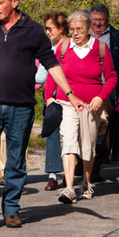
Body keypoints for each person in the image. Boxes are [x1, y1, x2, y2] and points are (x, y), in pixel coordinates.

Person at [0, 0, 85, 230]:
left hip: (20, 107)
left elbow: (51, 63)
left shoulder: (33, 30)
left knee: (16, 160)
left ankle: (11, 210)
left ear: (14, 3)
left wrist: (70, 94)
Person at [44, 10, 118, 204]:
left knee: (88, 145)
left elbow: (111, 77)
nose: (75, 33)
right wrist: (48, 98)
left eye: (79, 29)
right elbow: (54, 73)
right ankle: (69, 188)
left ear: (88, 30)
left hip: (91, 105)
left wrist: (101, 98)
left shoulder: (101, 49)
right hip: (66, 102)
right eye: (72, 29)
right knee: (68, 141)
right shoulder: (62, 48)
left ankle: (85, 183)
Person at [89, 4, 119, 177]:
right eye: (94, 20)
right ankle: (81, 162)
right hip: (84, 89)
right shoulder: (82, 35)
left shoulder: (116, 38)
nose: (97, 24)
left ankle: (96, 166)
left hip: (107, 91)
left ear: (107, 19)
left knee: (102, 129)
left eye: (101, 20)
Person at [41, 11, 70, 191]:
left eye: (50, 28)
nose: (48, 31)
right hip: (52, 95)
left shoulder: (71, 46)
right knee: (52, 132)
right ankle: (52, 175)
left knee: (69, 136)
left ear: (61, 29)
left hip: (70, 95)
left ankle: (70, 173)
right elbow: (41, 74)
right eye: (46, 28)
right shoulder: (48, 47)